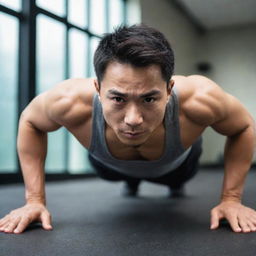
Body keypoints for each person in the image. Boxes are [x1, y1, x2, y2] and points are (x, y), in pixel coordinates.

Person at [0, 24, 255, 235]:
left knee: (176, 180)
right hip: (108, 166)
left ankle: (168, 182)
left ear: (169, 89)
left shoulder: (200, 98)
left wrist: (231, 198)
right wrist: (34, 201)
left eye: (149, 99)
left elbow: (243, 126)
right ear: (98, 89)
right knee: (117, 171)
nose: (133, 119)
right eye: (118, 99)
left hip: (176, 167)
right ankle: (131, 180)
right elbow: (30, 121)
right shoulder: (69, 100)